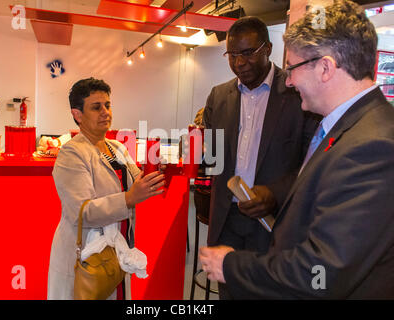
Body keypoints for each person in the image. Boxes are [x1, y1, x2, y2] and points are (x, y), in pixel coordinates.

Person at [200, 0, 394, 299]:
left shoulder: (372, 146)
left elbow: (323, 272)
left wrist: (231, 265)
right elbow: (212, 158)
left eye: (292, 68)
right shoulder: (353, 127)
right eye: (233, 55)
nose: (288, 80)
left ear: (326, 68)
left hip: (275, 244)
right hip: (233, 224)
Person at [202, 16, 319, 298]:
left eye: (247, 53)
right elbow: (213, 159)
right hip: (227, 221)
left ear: (267, 48)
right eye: (232, 55)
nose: (239, 63)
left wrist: (275, 193)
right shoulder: (218, 97)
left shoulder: (297, 94)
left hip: (273, 222)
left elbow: (312, 165)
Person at [47, 78, 165, 300]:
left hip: (115, 250)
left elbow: (136, 181)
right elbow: (83, 212)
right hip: (87, 256)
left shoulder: (117, 148)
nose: (105, 112)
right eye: (96, 107)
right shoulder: (71, 154)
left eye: (107, 105)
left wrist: (154, 180)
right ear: (77, 114)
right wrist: (129, 198)